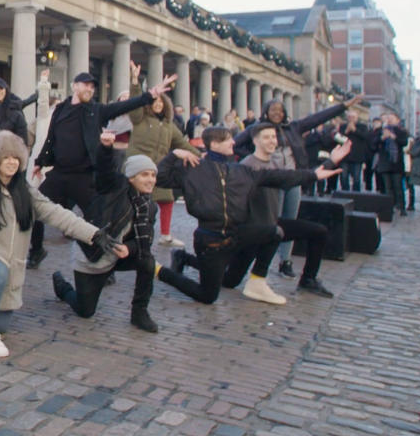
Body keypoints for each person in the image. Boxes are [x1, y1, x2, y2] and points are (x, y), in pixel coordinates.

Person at [0, 131, 119, 357]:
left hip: (12, 265)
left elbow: (59, 215)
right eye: (6, 157)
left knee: (3, 325)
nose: (12, 162)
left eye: (16, 158)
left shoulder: (27, 193)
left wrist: (93, 234)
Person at [152, 127, 341, 306]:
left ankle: (257, 282)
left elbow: (280, 177)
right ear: (214, 144)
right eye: (228, 139)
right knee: (208, 295)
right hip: (210, 241)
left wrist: (317, 173)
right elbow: (159, 178)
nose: (233, 142)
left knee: (275, 232)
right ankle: (160, 271)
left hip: (237, 235)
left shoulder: (241, 171)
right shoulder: (193, 169)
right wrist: (174, 155)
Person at [29, 70, 176, 267]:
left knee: (98, 219)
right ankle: (37, 250)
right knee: (35, 209)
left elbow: (123, 106)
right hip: (59, 173)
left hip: (85, 176)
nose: (89, 89)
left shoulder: (96, 111)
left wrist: (149, 95)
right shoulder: (61, 108)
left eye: (92, 86)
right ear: (74, 86)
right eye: (85, 85)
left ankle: (104, 261)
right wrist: (40, 160)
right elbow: (51, 137)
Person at [233, 95, 356, 277]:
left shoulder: (294, 128)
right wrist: (254, 158)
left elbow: (317, 118)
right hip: (271, 181)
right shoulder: (256, 129)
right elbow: (236, 144)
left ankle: (285, 260)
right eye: (273, 110)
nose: (277, 113)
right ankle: (258, 262)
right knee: (272, 221)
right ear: (266, 112)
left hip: (293, 178)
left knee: (291, 219)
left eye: (280, 110)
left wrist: (343, 106)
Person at [51, 135, 158, 333]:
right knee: (85, 311)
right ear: (131, 177)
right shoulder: (114, 188)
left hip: (116, 257)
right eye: (145, 175)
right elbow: (105, 172)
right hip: (92, 255)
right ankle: (62, 287)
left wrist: (130, 248)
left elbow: (147, 238)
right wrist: (106, 149)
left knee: (147, 260)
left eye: (153, 175)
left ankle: (139, 313)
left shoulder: (150, 207)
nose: (150, 179)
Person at [236, 122, 345, 299]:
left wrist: (330, 162)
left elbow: (293, 177)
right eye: (266, 137)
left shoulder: (274, 162)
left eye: (274, 137)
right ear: (255, 141)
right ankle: (186, 259)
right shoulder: (247, 165)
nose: (272, 141)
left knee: (318, 232)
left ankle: (308, 279)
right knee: (229, 280)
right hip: (252, 230)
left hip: (272, 223)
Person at [124, 61, 198, 248]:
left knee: (167, 199)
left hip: (159, 169)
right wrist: (134, 82)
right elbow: (134, 105)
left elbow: (182, 143)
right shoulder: (140, 118)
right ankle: (128, 232)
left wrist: (201, 156)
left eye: (160, 102)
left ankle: (165, 235)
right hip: (138, 167)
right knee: (134, 201)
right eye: (155, 102)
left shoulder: (169, 126)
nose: (157, 105)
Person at [370, 114, 409, 215]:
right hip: (385, 163)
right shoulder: (382, 131)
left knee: (398, 186)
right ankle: (389, 207)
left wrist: (393, 137)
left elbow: (404, 142)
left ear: (397, 120)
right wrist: (383, 137)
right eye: (388, 118)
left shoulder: (401, 131)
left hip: (396, 163)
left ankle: (401, 207)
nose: (390, 120)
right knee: (388, 187)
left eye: (392, 119)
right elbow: (373, 143)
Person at [339, 110, 369, 192]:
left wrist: (355, 130)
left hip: (357, 156)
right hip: (345, 156)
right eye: (349, 117)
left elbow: (365, 137)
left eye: (353, 117)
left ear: (357, 118)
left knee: (356, 178)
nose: (351, 119)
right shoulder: (343, 126)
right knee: (344, 177)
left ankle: (356, 195)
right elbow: (339, 139)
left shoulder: (362, 126)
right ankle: (344, 193)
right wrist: (346, 131)